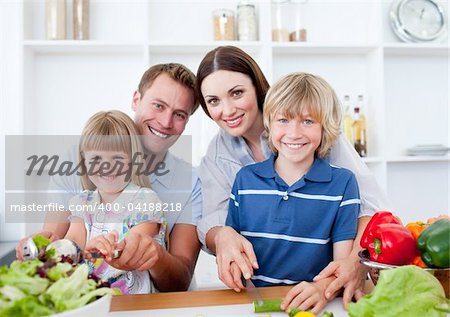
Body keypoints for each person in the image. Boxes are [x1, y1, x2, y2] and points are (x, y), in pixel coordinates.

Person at [195, 46, 391, 306]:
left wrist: (354, 262)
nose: (227, 110)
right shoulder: (219, 157)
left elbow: (371, 207)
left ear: (258, 87)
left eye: (237, 93)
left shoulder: (314, 130)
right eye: (213, 101)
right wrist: (223, 236)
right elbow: (213, 220)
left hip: (321, 288)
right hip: (262, 294)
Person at [16, 63, 202, 292]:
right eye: (158, 105)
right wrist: (41, 249)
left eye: (179, 114)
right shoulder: (74, 168)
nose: (165, 122)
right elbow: (62, 243)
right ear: (136, 99)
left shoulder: (188, 182)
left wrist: (150, 255)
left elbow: (179, 280)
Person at [226, 72, 359, 313]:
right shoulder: (245, 180)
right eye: (283, 120)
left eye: (308, 121)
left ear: (325, 127)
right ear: (269, 123)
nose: (294, 133)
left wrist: (323, 288)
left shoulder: (343, 184)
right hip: (253, 304)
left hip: (314, 305)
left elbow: (341, 264)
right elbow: (234, 252)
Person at [65, 110, 164, 294]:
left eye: (117, 158)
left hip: (134, 306)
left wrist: (94, 252)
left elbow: (130, 252)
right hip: (89, 303)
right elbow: (69, 251)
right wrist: (45, 251)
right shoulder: (82, 203)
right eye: (96, 158)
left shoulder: (146, 201)